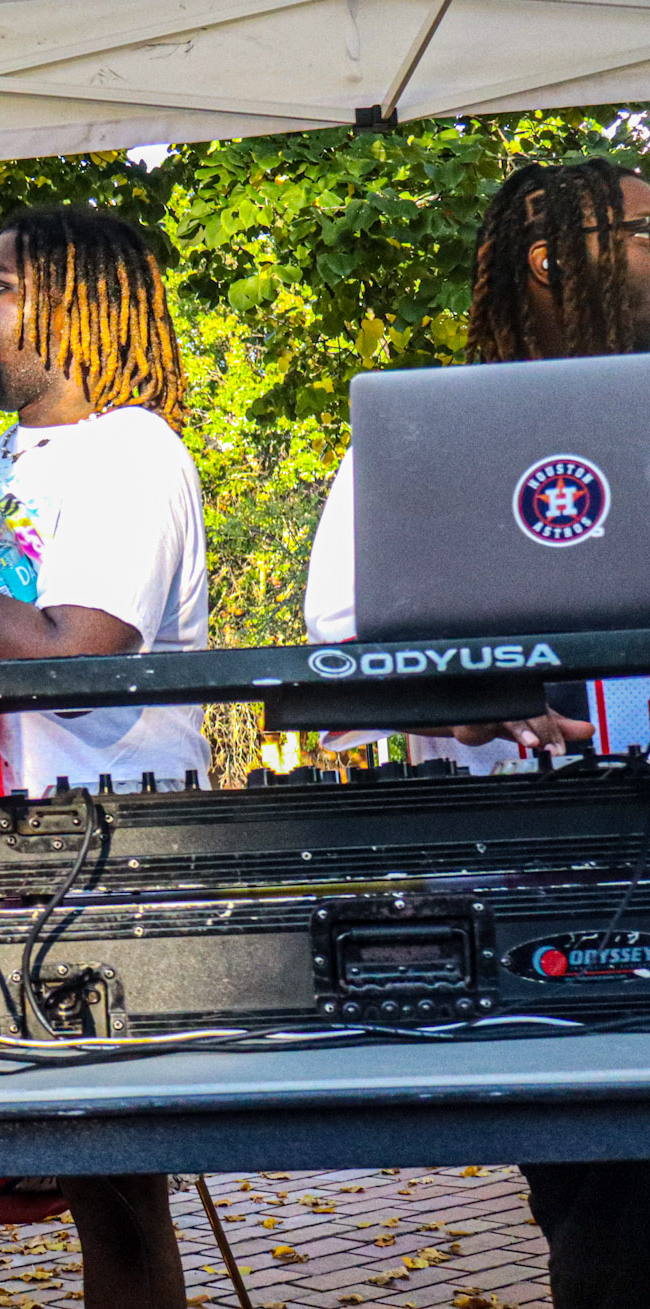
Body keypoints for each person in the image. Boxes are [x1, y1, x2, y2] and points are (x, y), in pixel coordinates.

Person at [303, 157, 650, 1309]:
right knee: (603, 1214)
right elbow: (337, 652)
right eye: (644, 231)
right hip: (552, 897)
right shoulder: (416, 450)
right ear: (553, 262)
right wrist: (460, 697)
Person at [0, 207, 210, 1309]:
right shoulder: (9, 451)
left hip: (105, 850)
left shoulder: (129, 450)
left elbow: (76, 654)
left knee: (112, 1180)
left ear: (72, 302)